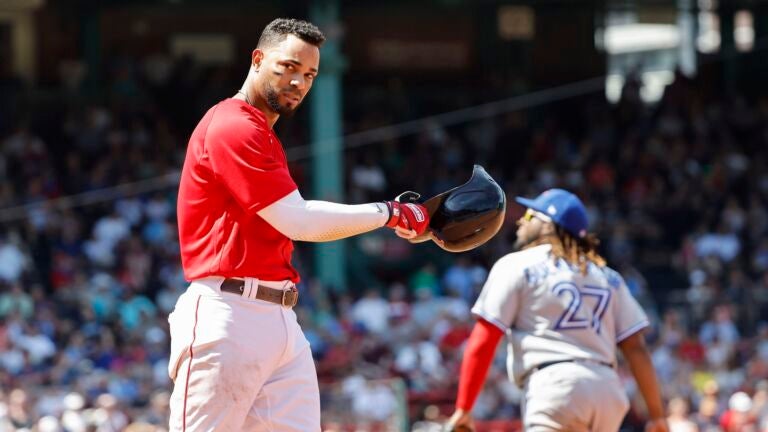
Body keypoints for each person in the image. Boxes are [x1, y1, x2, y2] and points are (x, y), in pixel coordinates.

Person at [170, 18, 429, 431]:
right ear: (258, 59)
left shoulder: (261, 132)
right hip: (228, 312)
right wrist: (389, 212)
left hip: (279, 318)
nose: (299, 81)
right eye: (288, 66)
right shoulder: (233, 124)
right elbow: (297, 220)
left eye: (309, 74)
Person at [445, 188, 668, 432]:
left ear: (547, 224)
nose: (521, 221)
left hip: (555, 385)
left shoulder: (518, 264)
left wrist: (464, 408)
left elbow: (485, 337)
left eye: (530, 216)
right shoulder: (609, 276)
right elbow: (636, 348)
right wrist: (657, 415)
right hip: (607, 390)